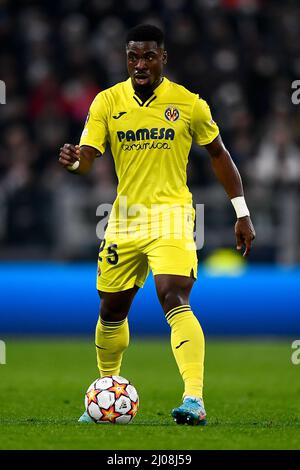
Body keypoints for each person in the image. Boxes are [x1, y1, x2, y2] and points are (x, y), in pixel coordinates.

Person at [59, 24, 255, 426]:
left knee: (173, 296)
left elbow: (219, 154)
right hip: (124, 219)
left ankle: (194, 399)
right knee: (111, 309)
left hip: (173, 215)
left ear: (163, 58)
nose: (140, 64)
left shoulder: (188, 104)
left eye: (148, 56)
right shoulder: (107, 102)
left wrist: (241, 211)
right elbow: (89, 158)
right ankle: (106, 389)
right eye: (133, 56)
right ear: (126, 59)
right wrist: (76, 162)